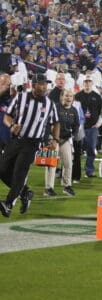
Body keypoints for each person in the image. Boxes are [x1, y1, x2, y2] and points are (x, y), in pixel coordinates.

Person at [0, 73, 60, 217]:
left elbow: (56, 122)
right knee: (2, 169)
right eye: (41, 84)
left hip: (32, 143)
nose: (44, 86)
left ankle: (8, 204)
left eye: (45, 84)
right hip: (16, 139)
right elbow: (7, 116)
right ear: (33, 85)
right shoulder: (21, 97)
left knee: (19, 172)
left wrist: (55, 140)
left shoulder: (49, 103)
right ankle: (25, 192)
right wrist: (11, 126)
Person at [44, 89, 79, 196]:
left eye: (70, 96)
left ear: (73, 99)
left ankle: (67, 186)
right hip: (54, 139)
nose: (68, 98)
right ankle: (48, 188)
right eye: (66, 96)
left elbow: (76, 125)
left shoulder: (74, 110)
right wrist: (51, 139)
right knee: (52, 164)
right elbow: (48, 123)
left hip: (65, 139)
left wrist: (72, 136)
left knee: (68, 163)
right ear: (61, 97)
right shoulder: (55, 107)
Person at [75, 75, 102, 178]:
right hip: (80, 127)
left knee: (91, 150)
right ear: (83, 83)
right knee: (77, 150)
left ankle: (89, 171)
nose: (87, 83)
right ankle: (75, 171)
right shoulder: (77, 96)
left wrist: (99, 123)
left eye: (89, 81)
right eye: (86, 82)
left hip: (92, 127)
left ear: (92, 83)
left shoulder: (97, 96)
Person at [0, 73, 13, 153]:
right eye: (3, 83)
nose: (6, 86)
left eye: (8, 84)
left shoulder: (8, 99)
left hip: (7, 138)